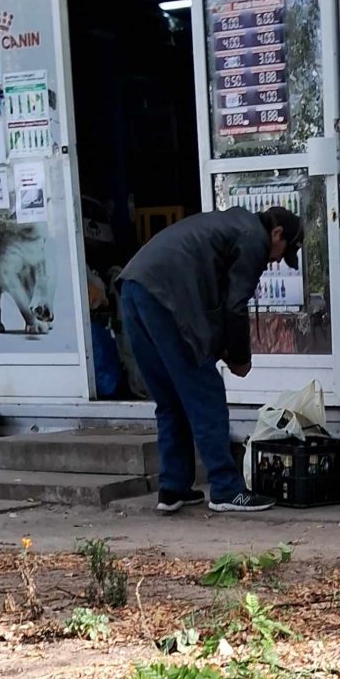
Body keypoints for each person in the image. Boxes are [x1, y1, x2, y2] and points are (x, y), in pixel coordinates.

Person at [117, 205, 304, 514]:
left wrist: (225, 349)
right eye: (281, 253)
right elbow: (234, 305)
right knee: (206, 393)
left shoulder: (231, 224)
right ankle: (226, 489)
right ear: (276, 233)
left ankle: (172, 488)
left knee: (170, 399)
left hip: (134, 288)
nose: (274, 262)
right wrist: (240, 358)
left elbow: (215, 299)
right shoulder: (254, 238)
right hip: (166, 297)